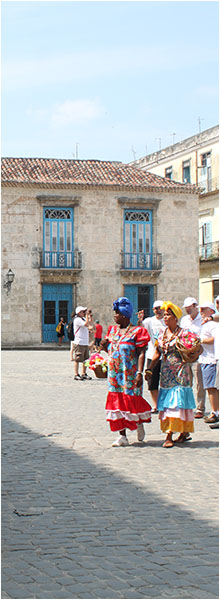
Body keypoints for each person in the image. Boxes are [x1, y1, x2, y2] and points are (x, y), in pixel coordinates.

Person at [100, 296, 151, 447]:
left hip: (129, 374)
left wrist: (139, 373)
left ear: (123, 315)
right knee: (116, 403)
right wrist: (102, 345)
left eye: (116, 313)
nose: (114, 316)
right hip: (114, 374)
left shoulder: (137, 332)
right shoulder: (112, 331)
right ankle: (122, 436)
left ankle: (138, 422)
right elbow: (108, 349)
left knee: (131, 401)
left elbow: (141, 353)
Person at [145, 301, 196, 448]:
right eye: (165, 315)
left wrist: (191, 353)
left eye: (168, 315)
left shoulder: (184, 334)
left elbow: (195, 348)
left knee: (177, 403)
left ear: (175, 318)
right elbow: (157, 353)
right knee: (169, 403)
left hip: (181, 373)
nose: (165, 317)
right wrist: (150, 369)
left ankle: (170, 434)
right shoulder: (161, 334)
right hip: (166, 374)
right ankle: (182, 432)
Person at [180, 296, 206, 419]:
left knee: (199, 383)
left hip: (199, 354)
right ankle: (188, 405)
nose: (187, 310)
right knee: (187, 381)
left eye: (189, 307)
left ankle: (200, 407)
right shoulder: (184, 320)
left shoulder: (202, 320)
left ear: (195, 306)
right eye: (186, 308)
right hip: (186, 354)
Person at [138, 301, 165, 414]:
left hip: (166, 356)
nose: (157, 310)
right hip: (152, 355)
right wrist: (140, 319)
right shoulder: (149, 321)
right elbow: (140, 329)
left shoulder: (168, 320)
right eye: (155, 309)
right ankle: (156, 405)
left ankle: (165, 404)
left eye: (159, 308)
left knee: (165, 382)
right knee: (152, 382)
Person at [199, 302, 219, 424]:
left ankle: (214, 412)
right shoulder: (206, 324)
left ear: (211, 311)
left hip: (211, 359)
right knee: (209, 388)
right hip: (205, 358)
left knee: (211, 388)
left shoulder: (212, 324)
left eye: (203, 309)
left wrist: (200, 341)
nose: (201, 311)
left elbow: (214, 339)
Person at [73, 306, 92, 381]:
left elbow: (89, 324)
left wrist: (90, 316)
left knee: (86, 359)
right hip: (79, 342)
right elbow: (86, 324)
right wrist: (87, 316)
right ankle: (76, 374)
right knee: (77, 359)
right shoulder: (77, 320)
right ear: (79, 313)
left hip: (85, 342)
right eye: (83, 312)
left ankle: (84, 373)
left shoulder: (83, 319)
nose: (84, 313)